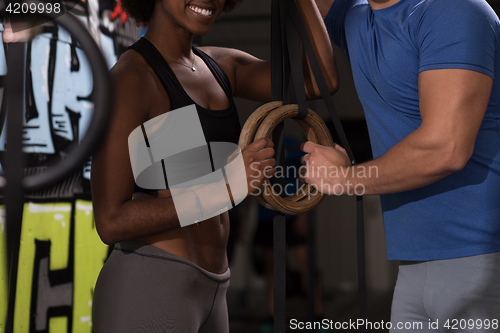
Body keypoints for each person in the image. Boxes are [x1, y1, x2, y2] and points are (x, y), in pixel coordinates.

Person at [90, 0, 338, 331]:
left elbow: (318, 82)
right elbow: (110, 221)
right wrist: (227, 186)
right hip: (152, 282)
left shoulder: (220, 66)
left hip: (214, 287)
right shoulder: (131, 80)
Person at [302, 0, 500, 331]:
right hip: (413, 266)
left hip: (480, 257)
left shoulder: (453, 10)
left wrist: (344, 179)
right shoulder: (357, 18)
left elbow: (446, 148)